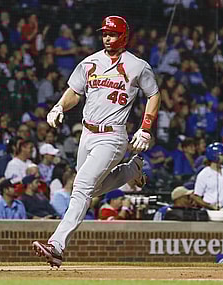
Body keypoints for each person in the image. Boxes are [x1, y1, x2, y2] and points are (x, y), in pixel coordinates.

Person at [32, 16, 160, 267]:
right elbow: (74, 91)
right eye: (104, 34)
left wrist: (145, 129)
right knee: (90, 189)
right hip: (87, 134)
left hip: (113, 135)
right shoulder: (90, 62)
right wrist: (59, 106)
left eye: (112, 34)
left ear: (123, 35)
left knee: (81, 186)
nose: (107, 38)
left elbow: (154, 95)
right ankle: (132, 170)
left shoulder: (137, 65)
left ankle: (56, 246)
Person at [192, 142, 223, 220]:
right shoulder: (204, 174)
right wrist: (209, 205)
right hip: (210, 213)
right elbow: (196, 196)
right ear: (215, 156)